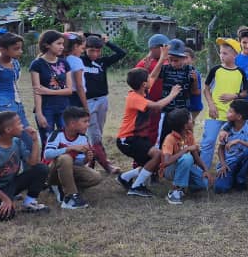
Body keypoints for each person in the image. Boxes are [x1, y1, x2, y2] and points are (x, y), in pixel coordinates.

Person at [115, 68, 182, 198]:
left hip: (138, 137)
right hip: (128, 139)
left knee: (154, 162)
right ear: (144, 84)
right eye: (147, 79)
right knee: (157, 155)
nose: (151, 80)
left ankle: (124, 177)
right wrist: (172, 94)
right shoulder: (135, 98)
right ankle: (137, 187)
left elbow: (154, 75)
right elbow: (157, 106)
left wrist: (162, 57)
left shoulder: (143, 92)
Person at [0, 111, 50, 220]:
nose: (22, 126)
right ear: (8, 130)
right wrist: (5, 199)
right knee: (6, 215)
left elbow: (33, 162)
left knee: (41, 169)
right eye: (19, 123)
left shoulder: (17, 142)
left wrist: (34, 141)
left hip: (10, 185)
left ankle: (29, 203)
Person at [199, 38, 248, 170]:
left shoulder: (240, 73)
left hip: (232, 116)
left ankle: (226, 171)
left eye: (225, 53)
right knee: (208, 142)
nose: (221, 56)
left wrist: (234, 96)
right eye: (221, 53)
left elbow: (245, 93)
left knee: (229, 144)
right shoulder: (215, 70)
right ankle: (202, 174)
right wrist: (211, 105)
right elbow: (206, 88)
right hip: (214, 113)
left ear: (235, 55)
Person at [44, 106, 103, 209]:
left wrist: (86, 159)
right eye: (85, 121)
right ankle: (69, 197)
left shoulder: (83, 138)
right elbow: (47, 154)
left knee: (96, 177)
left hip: (69, 169)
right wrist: (70, 148)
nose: (88, 124)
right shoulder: (57, 135)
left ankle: (69, 188)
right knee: (65, 158)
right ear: (72, 123)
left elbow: (78, 163)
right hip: (52, 172)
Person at [82, 34, 126, 173]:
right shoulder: (79, 61)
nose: (95, 54)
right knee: (94, 135)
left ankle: (91, 161)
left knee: (97, 134)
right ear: (85, 49)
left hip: (102, 101)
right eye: (91, 51)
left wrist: (107, 42)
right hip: (87, 102)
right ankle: (107, 165)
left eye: (98, 51)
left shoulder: (102, 62)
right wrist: (84, 36)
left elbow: (121, 53)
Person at [149, 39, 199, 145]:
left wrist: (194, 81)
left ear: (183, 58)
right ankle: (164, 159)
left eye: (176, 60)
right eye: (170, 60)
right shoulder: (166, 69)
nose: (172, 63)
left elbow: (195, 92)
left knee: (185, 138)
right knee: (164, 138)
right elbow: (152, 77)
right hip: (167, 111)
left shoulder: (189, 70)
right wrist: (162, 59)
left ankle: (185, 159)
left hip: (182, 111)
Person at [160, 108, 212, 205]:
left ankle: (183, 187)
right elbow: (166, 162)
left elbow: (196, 156)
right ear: (184, 125)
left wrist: (206, 170)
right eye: (189, 119)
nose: (192, 120)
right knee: (187, 158)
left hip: (185, 166)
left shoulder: (189, 135)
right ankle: (175, 192)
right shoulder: (170, 138)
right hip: (170, 170)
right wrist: (186, 149)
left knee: (203, 184)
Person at [30, 30, 73, 146]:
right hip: (46, 109)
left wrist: (47, 91)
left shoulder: (64, 63)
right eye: (58, 44)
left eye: (63, 44)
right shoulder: (37, 64)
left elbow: (69, 90)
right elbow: (37, 91)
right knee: (48, 143)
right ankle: (47, 164)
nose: (62, 47)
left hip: (63, 108)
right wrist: (39, 114)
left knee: (65, 141)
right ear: (47, 45)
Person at [213, 100, 248, 193]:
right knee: (220, 189)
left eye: (230, 112)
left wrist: (239, 141)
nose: (227, 113)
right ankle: (232, 177)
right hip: (229, 163)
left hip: (242, 160)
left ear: (239, 117)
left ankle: (241, 178)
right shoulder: (226, 127)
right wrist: (223, 164)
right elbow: (220, 148)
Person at [135, 33, 170, 145]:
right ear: (153, 48)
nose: (166, 50)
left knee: (156, 129)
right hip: (147, 103)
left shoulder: (167, 61)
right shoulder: (145, 62)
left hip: (161, 102)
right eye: (163, 48)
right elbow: (136, 81)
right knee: (145, 129)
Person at [63, 32, 89, 110]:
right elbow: (79, 86)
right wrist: (86, 107)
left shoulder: (61, 59)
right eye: (82, 48)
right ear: (75, 46)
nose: (82, 52)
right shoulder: (76, 61)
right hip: (75, 97)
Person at [184, 47, 203, 121]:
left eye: (186, 58)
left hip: (193, 106)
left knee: (189, 124)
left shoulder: (193, 73)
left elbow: (197, 92)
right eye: (182, 58)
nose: (184, 61)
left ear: (193, 60)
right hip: (190, 106)